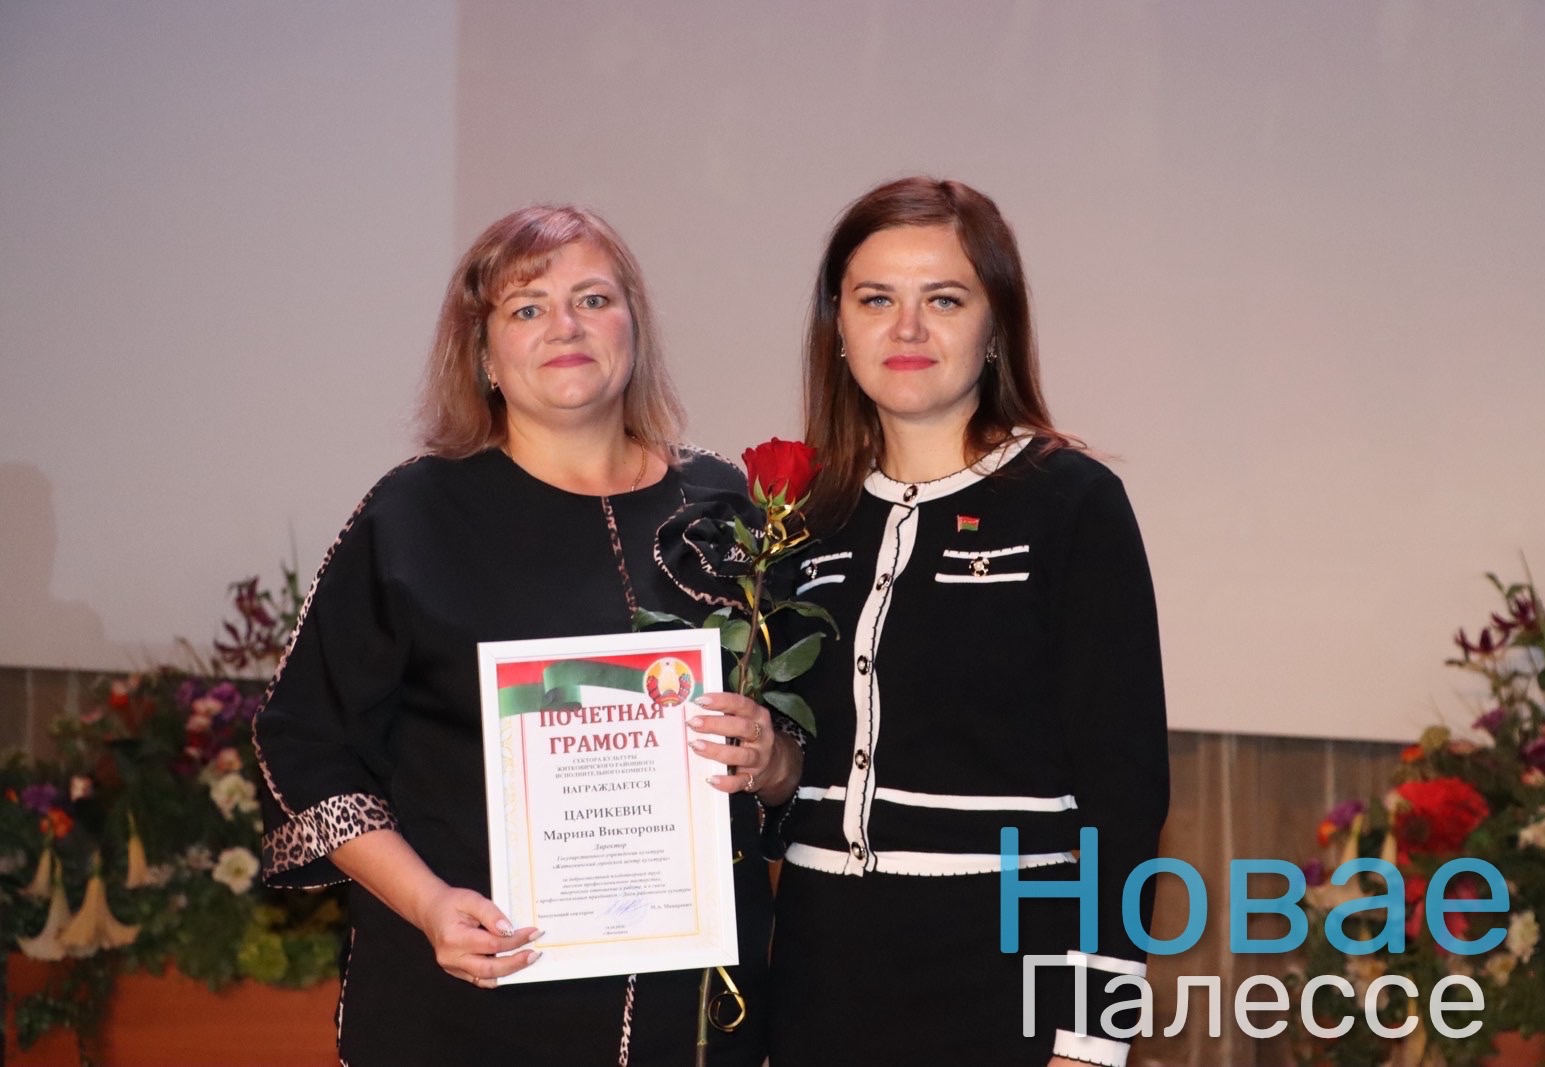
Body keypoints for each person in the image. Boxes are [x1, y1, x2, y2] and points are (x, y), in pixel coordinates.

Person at [252, 204, 799, 1066]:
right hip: (470, 1008)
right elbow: (303, 742)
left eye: (593, 299)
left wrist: (773, 762)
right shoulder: (413, 515)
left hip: (693, 1020)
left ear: (634, 326)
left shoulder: (726, 507)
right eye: (527, 308)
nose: (565, 326)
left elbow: (805, 750)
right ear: (483, 354)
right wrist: (428, 902)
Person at [766, 178, 1170, 1067]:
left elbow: (1125, 795)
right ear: (838, 327)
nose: (907, 329)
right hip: (817, 979)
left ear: (996, 327)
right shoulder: (801, 518)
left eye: (944, 300)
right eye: (876, 299)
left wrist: (1093, 1033)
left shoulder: (1072, 503)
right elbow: (790, 772)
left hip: (1005, 978)